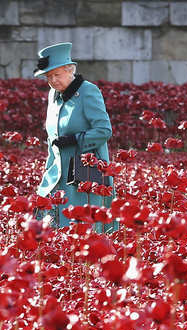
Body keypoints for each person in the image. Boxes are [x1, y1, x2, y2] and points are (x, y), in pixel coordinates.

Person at [33, 42, 117, 232]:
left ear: (70, 70)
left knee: (85, 232)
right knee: (50, 230)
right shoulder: (53, 96)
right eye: (48, 77)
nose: (53, 80)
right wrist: (47, 172)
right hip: (57, 175)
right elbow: (52, 141)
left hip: (85, 174)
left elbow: (104, 130)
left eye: (57, 74)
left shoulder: (88, 91)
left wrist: (76, 139)